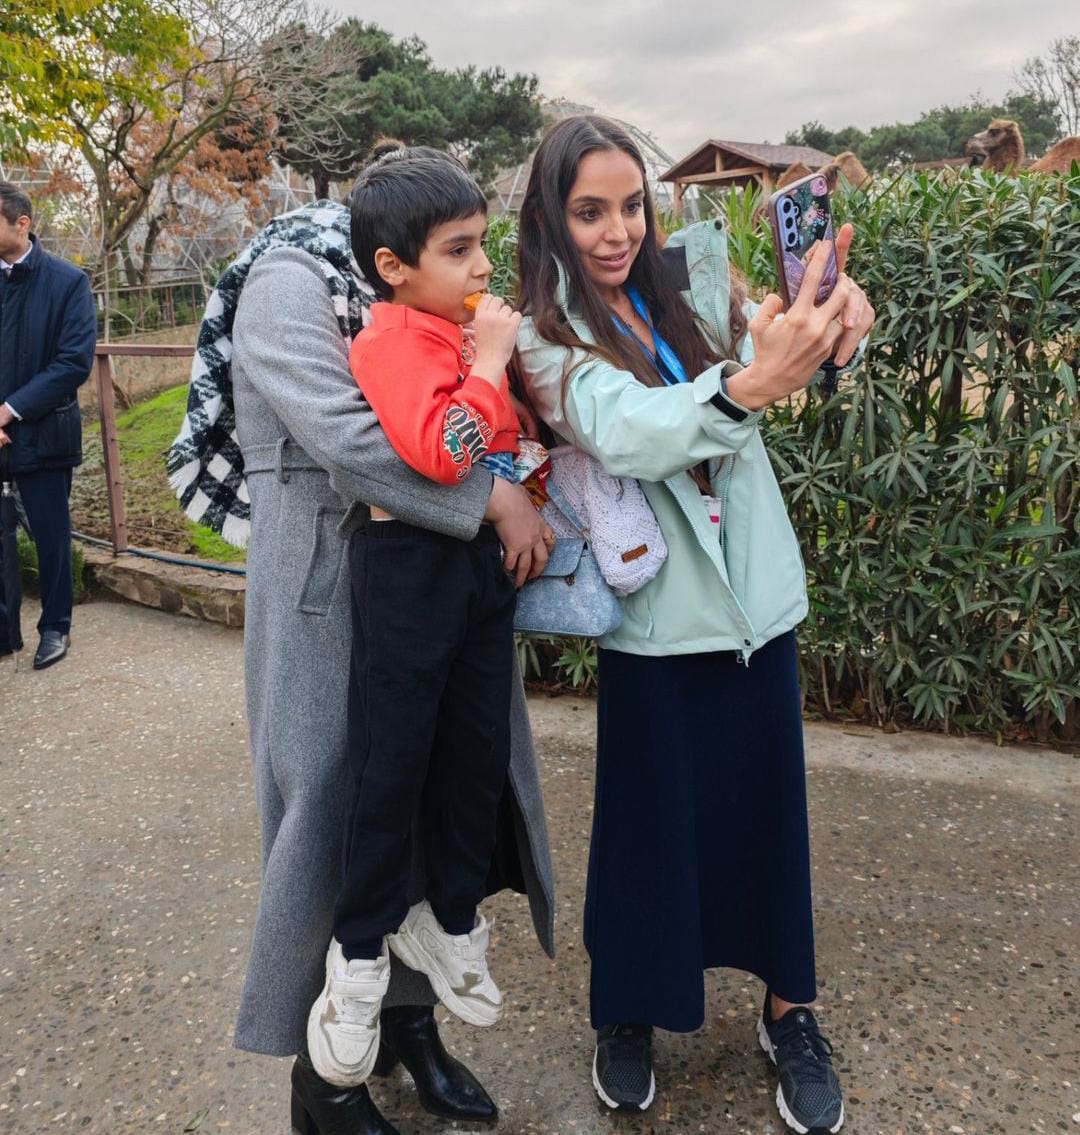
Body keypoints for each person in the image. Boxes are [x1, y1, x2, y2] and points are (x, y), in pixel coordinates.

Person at [166, 192, 555, 1135]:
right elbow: (348, 438)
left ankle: (408, 1025)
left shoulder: (419, 285)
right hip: (323, 586)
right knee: (334, 809)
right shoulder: (287, 277)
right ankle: (322, 1076)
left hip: (423, 577)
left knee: (433, 785)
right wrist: (492, 498)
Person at [516, 116, 875, 1134]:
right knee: (647, 830)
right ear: (550, 218)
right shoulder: (545, 335)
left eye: (631, 204)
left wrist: (834, 330)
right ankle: (626, 1010)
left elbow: (782, 344)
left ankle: (790, 1012)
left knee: (769, 820)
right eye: (589, 211)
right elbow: (626, 430)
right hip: (655, 618)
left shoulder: (699, 277)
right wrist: (749, 385)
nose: (617, 230)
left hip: (754, 601)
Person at [306, 147, 554, 1090]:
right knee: (391, 763)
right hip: (409, 567)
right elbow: (445, 451)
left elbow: (496, 441)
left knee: (475, 753)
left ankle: (451, 919)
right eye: (458, 250)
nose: (482, 265)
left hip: (476, 569)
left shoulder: (453, 331)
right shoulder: (391, 341)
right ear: (393, 267)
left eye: (482, 243)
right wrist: (488, 362)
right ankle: (358, 955)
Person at [0, 181, 96, 669]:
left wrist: (8, 410)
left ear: (22, 224)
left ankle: (56, 626)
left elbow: (73, 362)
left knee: (50, 535)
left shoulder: (68, 281)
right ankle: (5, 632)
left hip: (44, 433)